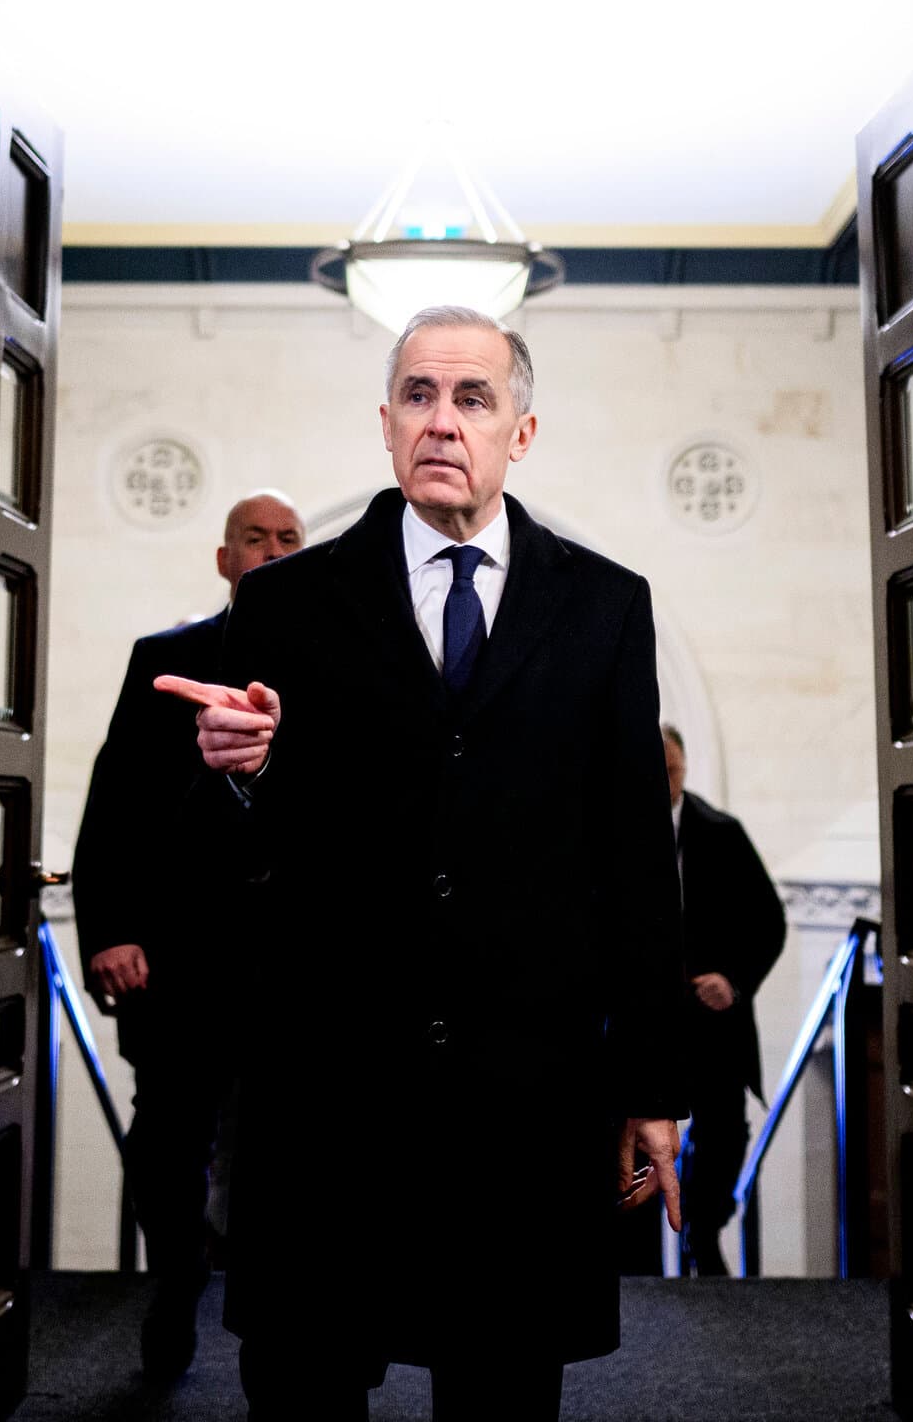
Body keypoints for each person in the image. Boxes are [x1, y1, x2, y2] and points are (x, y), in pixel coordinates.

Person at [159, 305, 686, 1422]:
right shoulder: (286, 604)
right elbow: (222, 850)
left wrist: (650, 1082)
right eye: (418, 396)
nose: (442, 421)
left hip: (523, 1095)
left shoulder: (604, 607)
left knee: (500, 1394)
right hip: (328, 1086)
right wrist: (238, 772)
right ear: (387, 423)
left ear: (521, 433)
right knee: (304, 1387)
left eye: (472, 398)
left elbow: (637, 858)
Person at [71, 490, 305, 1378]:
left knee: (290, 1151)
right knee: (169, 1139)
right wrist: (110, 931)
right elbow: (116, 809)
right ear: (225, 558)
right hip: (178, 956)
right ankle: (175, 1285)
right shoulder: (162, 661)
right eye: (257, 538)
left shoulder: (340, 664)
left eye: (289, 539)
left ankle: (279, 1328)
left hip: (295, 962)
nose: (274, 551)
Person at [663, 723, 787, 1275]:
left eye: (671, 770)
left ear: (685, 769)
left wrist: (733, 981)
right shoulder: (614, 830)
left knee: (723, 1133)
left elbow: (770, 922)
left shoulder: (720, 832)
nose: (663, 780)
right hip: (650, 1016)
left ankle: (702, 1231)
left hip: (711, 1019)